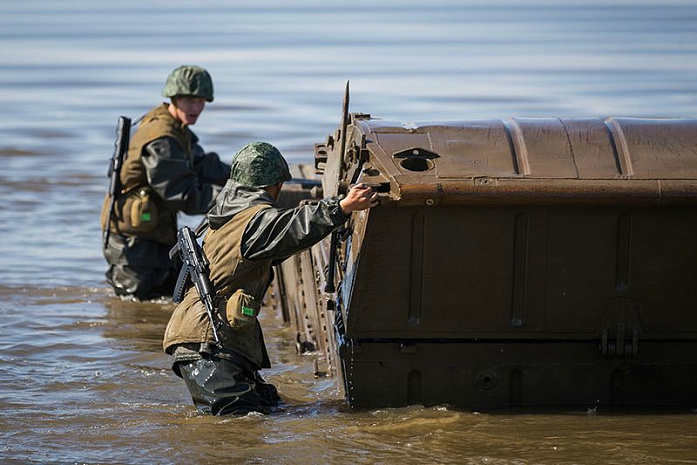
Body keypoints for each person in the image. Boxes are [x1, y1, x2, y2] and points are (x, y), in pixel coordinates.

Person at [162, 142, 378, 415]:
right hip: (208, 343)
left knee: (268, 409)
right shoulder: (255, 220)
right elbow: (295, 227)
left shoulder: (228, 214)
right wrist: (342, 207)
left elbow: (277, 245)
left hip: (213, 341)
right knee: (235, 428)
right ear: (273, 186)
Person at [100, 65, 231, 301]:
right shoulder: (163, 137)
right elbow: (182, 194)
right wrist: (229, 199)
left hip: (152, 230)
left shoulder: (174, 127)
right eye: (189, 100)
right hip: (135, 240)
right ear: (174, 97)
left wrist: (242, 177)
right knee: (137, 310)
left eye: (201, 101)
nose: (196, 108)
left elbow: (201, 164)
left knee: (162, 300)